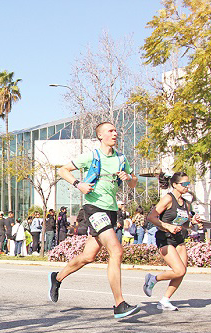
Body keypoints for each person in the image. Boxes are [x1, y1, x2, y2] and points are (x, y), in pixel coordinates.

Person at [48, 122, 140, 319]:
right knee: (116, 250)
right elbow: (63, 170)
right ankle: (119, 304)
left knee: (88, 256)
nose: (115, 133)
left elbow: (134, 182)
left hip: (112, 210)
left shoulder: (121, 158)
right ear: (100, 136)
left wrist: (128, 178)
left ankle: (57, 277)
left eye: (116, 130)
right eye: (110, 131)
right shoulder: (92, 156)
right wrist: (78, 184)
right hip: (93, 208)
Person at [143, 172, 202, 311]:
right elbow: (151, 217)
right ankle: (153, 279)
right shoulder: (168, 199)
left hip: (179, 238)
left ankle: (165, 300)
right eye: (184, 184)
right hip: (165, 238)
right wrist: (167, 226)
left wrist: (193, 222)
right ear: (175, 185)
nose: (187, 187)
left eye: (188, 184)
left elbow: (185, 224)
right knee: (179, 270)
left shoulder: (186, 204)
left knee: (182, 271)